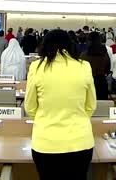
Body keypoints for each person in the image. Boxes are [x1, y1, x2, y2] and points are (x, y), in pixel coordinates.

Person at [24, 30, 96, 180]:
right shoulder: (84, 66)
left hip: (45, 142)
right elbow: (91, 105)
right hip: (80, 141)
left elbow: (30, 107)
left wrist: (45, 118)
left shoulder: (36, 67)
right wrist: (78, 118)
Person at [80, 32, 111, 100]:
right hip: (102, 83)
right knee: (102, 107)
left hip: (88, 83)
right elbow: (108, 70)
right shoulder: (105, 54)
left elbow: (80, 71)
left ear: (89, 41)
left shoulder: (84, 55)